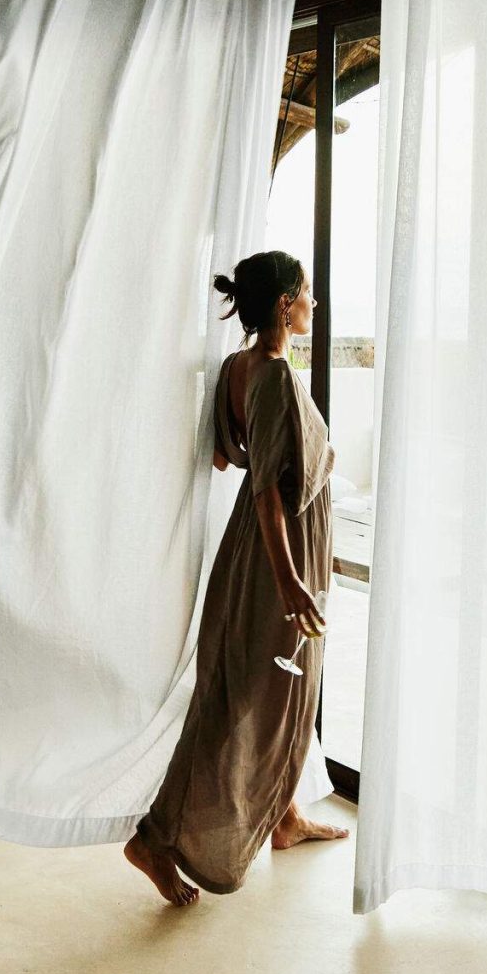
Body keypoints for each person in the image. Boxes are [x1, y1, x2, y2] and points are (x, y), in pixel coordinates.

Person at [126, 250, 348, 905]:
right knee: (256, 701)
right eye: (307, 293)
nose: (314, 304)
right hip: (277, 564)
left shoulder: (236, 368)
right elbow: (267, 495)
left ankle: (282, 816)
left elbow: (226, 455)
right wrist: (289, 582)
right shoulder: (275, 375)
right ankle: (158, 837)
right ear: (285, 303)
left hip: (248, 557)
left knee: (267, 695)